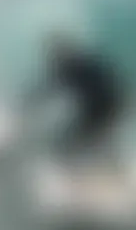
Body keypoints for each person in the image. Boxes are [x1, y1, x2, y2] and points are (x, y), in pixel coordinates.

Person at [32, 34, 126, 163]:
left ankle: (100, 168)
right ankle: (112, 166)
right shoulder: (79, 61)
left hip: (103, 106)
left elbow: (47, 88)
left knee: (72, 143)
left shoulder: (71, 65)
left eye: (55, 52)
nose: (53, 57)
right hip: (105, 105)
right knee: (95, 141)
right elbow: (46, 89)